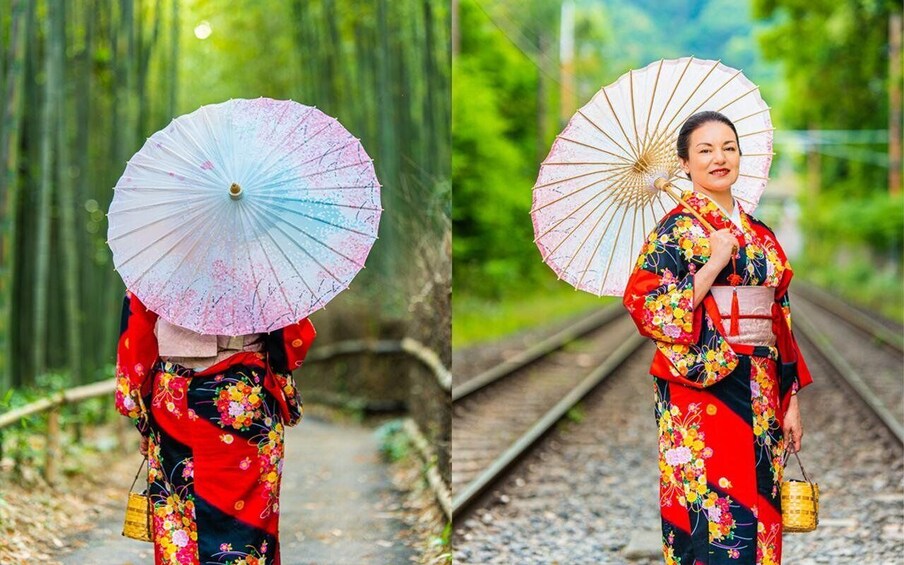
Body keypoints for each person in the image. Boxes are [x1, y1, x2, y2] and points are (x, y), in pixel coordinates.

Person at [622, 111, 811, 564]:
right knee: (708, 500)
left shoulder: (759, 234)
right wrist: (711, 263)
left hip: (762, 382)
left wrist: (791, 397)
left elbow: (778, 316)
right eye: (704, 150)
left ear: (740, 155)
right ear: (685, 164)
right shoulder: (676, 231)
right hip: (700, 384)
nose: (719, 158)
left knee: (761, 498)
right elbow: (644, 306)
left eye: (728, 147)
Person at [114, 289, 316, 565]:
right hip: (243, 396)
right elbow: (293, 339)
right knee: (248, 513)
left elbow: (135, 340)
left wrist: (143, 417)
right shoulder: (259, 263)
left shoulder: (157, 264)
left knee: (178, 515)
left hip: (174, 397)